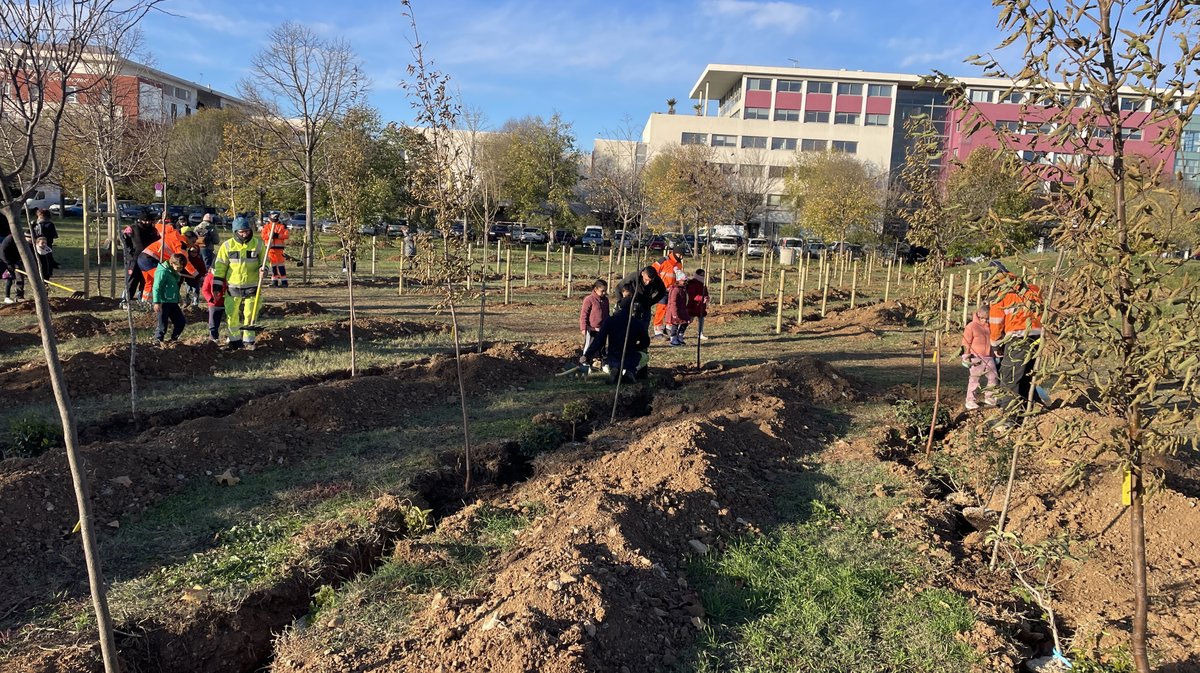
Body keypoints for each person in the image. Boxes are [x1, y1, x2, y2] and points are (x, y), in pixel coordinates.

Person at [989, 261, 1046, 422]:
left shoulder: (1001, 293)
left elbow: (996, 322)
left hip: (1017, 338)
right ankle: (1025, 413)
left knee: (1010, 377)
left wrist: (996, 344)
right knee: (1027, 375)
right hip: (1037, 336)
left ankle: (1009, 419)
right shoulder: (1032, 288)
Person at [212, 216, 267, 350]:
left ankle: (249, 340)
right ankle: (235, 340)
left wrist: (264, 269)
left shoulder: (258, 244)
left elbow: (265, 261)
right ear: (235, 231)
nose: (244, 234)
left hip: (252, 285)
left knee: (250, 314)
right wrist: (217, 284)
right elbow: (220, 267)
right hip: (233, 286)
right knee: (232, 314)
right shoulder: (227, 246)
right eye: (241, 232)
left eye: (247, 231)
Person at [580, 282, 650, 384]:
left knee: (613, 358)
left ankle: (615, 369)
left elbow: (599, 340)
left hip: (614, 356)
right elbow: (645, 342)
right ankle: (630, 371)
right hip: (630, 355)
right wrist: (636, 347)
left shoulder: (610, 321)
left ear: (620, 307)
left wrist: (587, 355)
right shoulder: (636, 322)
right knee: (644, 356)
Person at [961, 306, 998, 410]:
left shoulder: (991, 326)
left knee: (993, 377)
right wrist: (966, 356)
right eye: (982, 318)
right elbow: (966, 342)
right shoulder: (972, 326)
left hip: (989, 357)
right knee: (974, 379)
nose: (985, 320)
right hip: (975, 357)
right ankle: (970, 400)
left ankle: (989, 397)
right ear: (978, 315)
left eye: (987, 319)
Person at [125, 210, 160, 305]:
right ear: (140, 220)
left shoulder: (153, 230)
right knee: (132, 280)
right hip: (135, 259)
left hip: (148, 259)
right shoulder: (132, 228)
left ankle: (143, 300)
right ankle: (126, 300)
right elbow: (124, 240)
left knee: (146, 280)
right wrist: (130, 251)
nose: (147, 222)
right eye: (145, 220)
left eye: (149, 220)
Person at [152, 253, 188, 345]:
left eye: (182, 267)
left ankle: (173, 340)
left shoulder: (173, 272)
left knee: (180, 322)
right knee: (162, 326)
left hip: (172, 302)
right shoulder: (162, 272)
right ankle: (157, 343)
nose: (181, 269)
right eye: (179, 267)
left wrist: (178, 297)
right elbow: (156, 287)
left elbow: (174, 287)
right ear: (172, 263)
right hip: (163, 302)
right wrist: (157, 302)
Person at [651, 249, 684, 338]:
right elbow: (652, 271)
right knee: (661, 309)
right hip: (662, 290)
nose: (680, 257)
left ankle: (668, 327)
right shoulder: (663, 261)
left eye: (682, 255)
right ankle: (658, 331)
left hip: (673, 291)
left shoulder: (679, 264)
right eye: (679, 254)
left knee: (671, 310)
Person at [579, 279, 609, 355]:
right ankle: (585, 361)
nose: (604, 293)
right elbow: (584, 314)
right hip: (592, 329)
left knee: (601, 347)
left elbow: (607, 313)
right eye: (602, 291)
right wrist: (583, 328)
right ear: (596, 289)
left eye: (605, 290)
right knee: (589, 346)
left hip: (603, 329)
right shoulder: (589, 299)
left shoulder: (605, 300)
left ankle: (599, 362)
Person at [261, 212, 289, 287]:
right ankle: (274, 281)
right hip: (270, 248)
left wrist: (278, 235)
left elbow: (286, 235)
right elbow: (263, 236)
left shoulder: (282, 226)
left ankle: (284, 282)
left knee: (280, 265)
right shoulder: (266, 226)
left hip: (279, 249)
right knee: (273, 265)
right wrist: (269, 235)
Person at [200, 267, 226, 344]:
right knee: (213, 321)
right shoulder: (209, 277)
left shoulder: (224, 276)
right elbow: (205, 290)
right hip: (213, 304)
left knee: (229, 320)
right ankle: (214, 337)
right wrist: (210, 299)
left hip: (224, 301)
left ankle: (230, 336)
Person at [666, 269, 691, 346]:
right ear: (679, 280)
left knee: (685, 322)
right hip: (675, 311)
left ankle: (680, 337)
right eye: (684, 280)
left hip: (682, 309)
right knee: (675, 324)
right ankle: (673, 339)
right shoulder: (675, 290)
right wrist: (674, 314)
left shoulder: (683, 289)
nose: (685, 282)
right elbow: (673, 303)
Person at [685, 268, 711, 341]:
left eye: (704, 275)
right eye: (701, 275)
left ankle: (700, 334)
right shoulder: (692, 284)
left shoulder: (703, 284)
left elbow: (705, 292)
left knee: (701, 320)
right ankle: (680, 332)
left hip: (701, 306)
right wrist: (701, 298)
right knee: (689, 320)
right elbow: (692, 296)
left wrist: (707, 297)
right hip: (693, 306)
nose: (703, 276)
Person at [1, 233, 26, 303]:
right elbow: (2, 252)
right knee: (9, 278)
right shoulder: (9, 239)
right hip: (5, 260)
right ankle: (7, 297)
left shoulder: (22, 239)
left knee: (19, 278)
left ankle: (19, 296)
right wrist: (8, 263)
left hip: (16, 260)